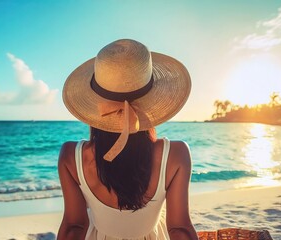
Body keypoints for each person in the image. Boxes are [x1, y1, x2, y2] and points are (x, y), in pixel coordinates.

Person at [58, 39, 198, 240]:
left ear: (95, 105)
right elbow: (179, 228)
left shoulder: (71, 157)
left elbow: (74, 226)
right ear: (150, 101)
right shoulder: (176, 155)